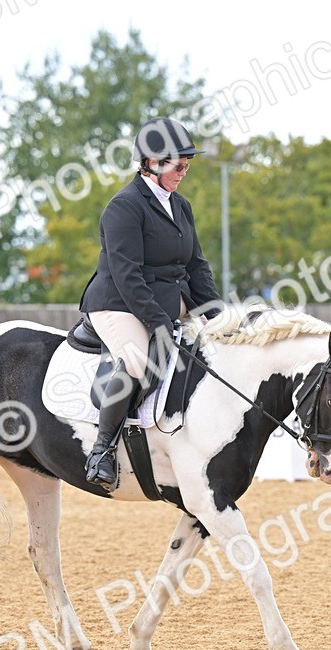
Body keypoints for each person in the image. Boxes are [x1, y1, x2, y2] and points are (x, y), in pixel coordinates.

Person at [78, 117, 223, 487]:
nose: (184, 171)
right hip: (118, 303)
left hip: (167, 298)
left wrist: (218, 315)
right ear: (151, 163)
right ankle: (102, 451)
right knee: (140, 361)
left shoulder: (181, 206)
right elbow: (128, 275)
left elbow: (196, 266)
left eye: (187, 165)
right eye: (178, 165)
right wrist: (158, 322)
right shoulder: (123, 207)